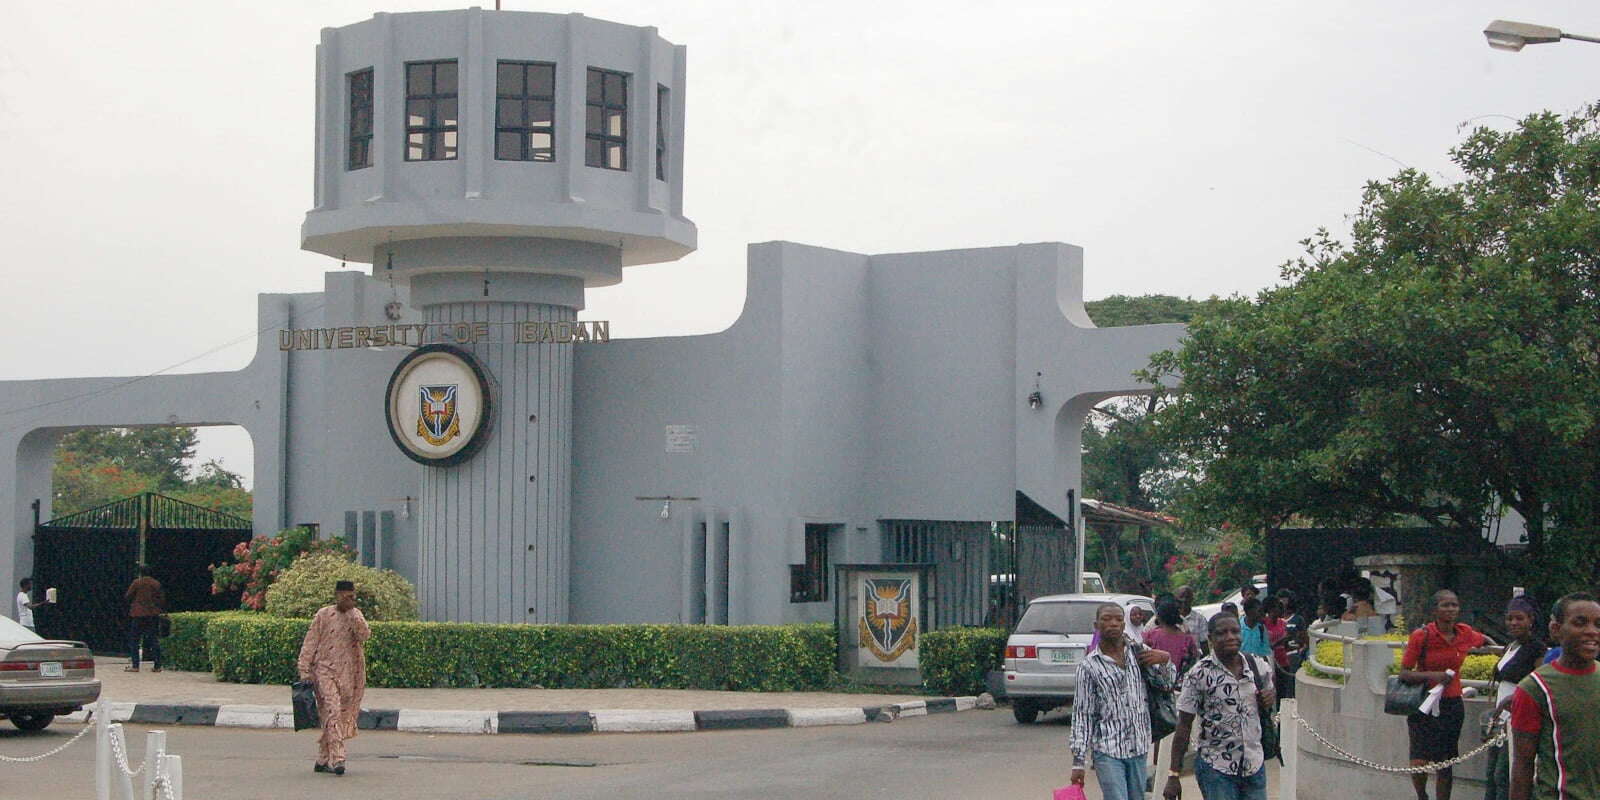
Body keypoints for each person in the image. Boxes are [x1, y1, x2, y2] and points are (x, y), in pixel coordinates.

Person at [1163, 614, 1276, 800]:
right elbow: (1183, 725)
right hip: (1216, 769)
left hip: (1254, 766)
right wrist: (1174, 774)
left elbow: (1270, 692)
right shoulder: (1198, 675)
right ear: (1210, 639)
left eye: (1235, 631)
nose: (1230, 637)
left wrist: (1269, 698)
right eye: (1222, 633)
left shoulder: (1256, 665)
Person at [1069, 603, 1175, 800]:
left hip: (1139, 745)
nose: (1113, 624)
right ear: (1096, 625)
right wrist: (1078, 761)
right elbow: (1083, 715)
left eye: (1118, 619)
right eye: (1107, 619)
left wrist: (1166, 660)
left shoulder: (1138, 653)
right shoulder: (1089, 667)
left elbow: (1166, 684)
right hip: (1108, 749)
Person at [1508, 592, 1600, 800]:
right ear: (1556, 629)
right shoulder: (1534, 688)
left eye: (1598, 624)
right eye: (1580, 623)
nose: (1592, 632)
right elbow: (1522, 766)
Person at [1398, 589, 1488, 800]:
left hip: (1451, 704)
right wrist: (1434, 676)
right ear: (1434, 610)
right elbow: (1404, 673)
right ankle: (1422, 796)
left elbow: (1483, 640)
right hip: (1423, 704)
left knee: (1445, 762)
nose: (1450, 609)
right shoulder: (1422, 636)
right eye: (1445, 605)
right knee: (1419, 760)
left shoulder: (1464, 632)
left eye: (1454, 605)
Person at [297, 580, 371, 776]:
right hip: (323, 671)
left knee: (336, 715)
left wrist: (353, 614)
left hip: (348, 674)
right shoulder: (323, 615)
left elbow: (364, 636)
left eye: (351, 596)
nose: (347, 600)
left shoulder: (355, 615)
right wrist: (304, 669)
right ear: (337, 595)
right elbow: (310, 642)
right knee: (332, 710)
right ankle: (338, 758)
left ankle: (322, 758)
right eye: (344, 596)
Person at [1484, 595, 1546, 800]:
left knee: (1505, 774)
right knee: (1491, 774)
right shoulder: (1510, 646)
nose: (1513, 623)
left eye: (1519, 618)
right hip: (1499, 718)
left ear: (1531, 620)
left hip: (1517, 717)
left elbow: (1537, 685)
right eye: (1510, 618)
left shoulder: (1537, 648)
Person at [1146, 595, 1203, 677]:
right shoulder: (1187, 639)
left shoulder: (1150, 635)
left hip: (1156, 683)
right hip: (1181, 683)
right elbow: (1194, 659)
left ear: (1159, 617)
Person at [124, 566, 164, 672]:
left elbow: (128, 596)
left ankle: (135, 665)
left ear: (140, 573)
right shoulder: (156, 583)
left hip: (138, 615)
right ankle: (157, 666)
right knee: (153, 639)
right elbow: (161, 599)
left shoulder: (137, 583)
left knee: (134, 640)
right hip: (152, 614)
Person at [1176, 586, 1210, 655]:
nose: (1184, 600)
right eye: (1182, 596)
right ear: (1176, 599)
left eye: (1187, 597)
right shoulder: (1171, 618)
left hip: (1195, 660)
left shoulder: (1200, 619)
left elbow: (1204, 644)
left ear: (1192, 599)